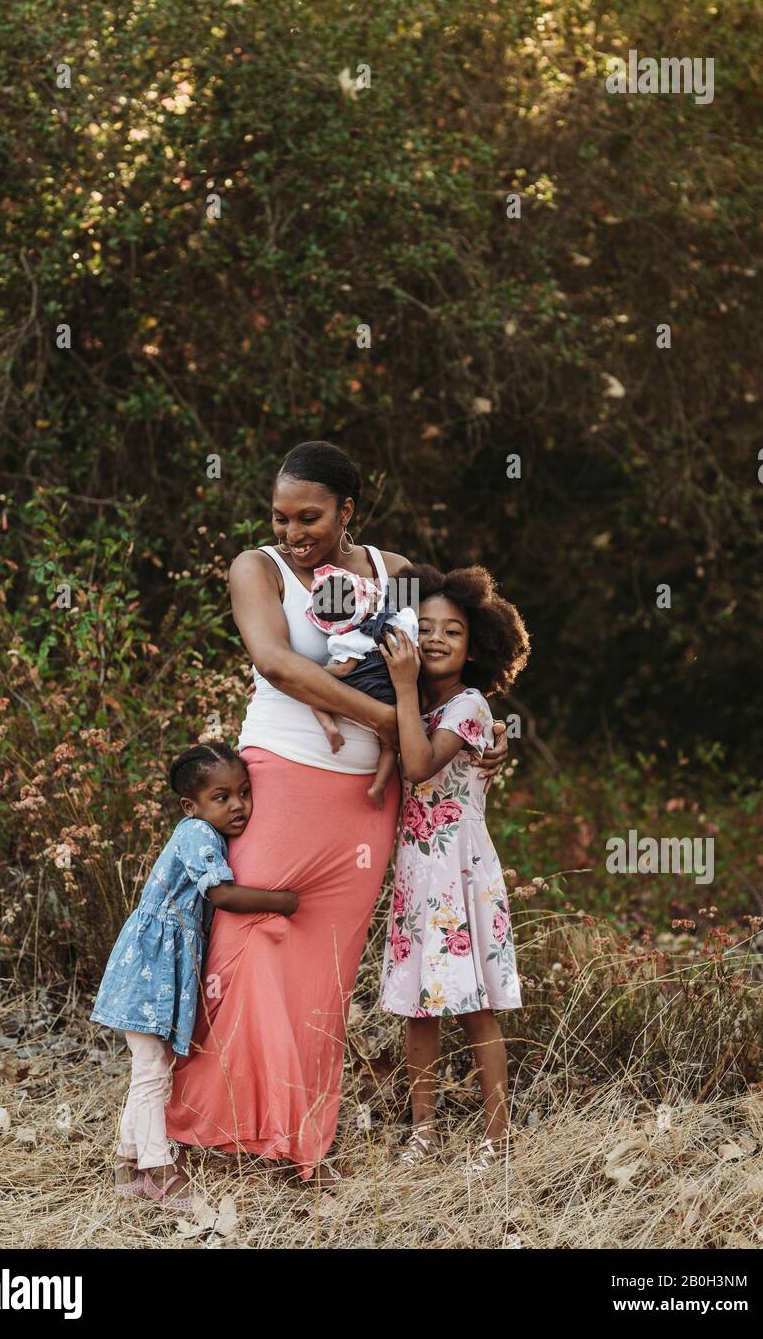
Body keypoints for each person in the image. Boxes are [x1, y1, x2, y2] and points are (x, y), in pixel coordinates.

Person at [164, 441, 510, 1183]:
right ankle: (209, 1122)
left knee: (326, 972)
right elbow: (276, 663)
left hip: (369, 803)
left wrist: (484, 726)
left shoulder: (396, 574)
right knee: (249, 942)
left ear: (348, 510)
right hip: (284, 778)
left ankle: (299, 1141)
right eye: (281, 516)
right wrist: (389, 724)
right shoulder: (255, 568)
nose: (293, 531)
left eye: (310, 517)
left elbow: (440, 665)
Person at [90, 743, 298, 1210]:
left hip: (166, 964)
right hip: (151, 964)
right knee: (151, 1071)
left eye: (244, 793)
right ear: (192, 806)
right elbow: (221, 895)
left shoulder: (207, 832)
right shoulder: (198, 834)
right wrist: (282, 901)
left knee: (154, 1070)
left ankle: (128, 1163)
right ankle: (160, 1168)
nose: (238, 805)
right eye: (221, 797)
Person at [377, 563, 530, 1174]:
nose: (437, 639)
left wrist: (406, 686)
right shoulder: (417, 697)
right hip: (418, 872)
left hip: (460, 872)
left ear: (476, 649)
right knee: (420, 1004)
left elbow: (418, 766)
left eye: (455, 631)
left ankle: (497, 1138)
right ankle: (425, 1131)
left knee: (474, 1006)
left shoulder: (467, 705)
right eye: (427, 626)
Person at [305, 561, 420, 807]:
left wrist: (321, 673)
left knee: (315, 694)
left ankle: (329, 727)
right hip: (389, 692)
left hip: (356, 692)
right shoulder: (400, 621)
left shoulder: (348, 638)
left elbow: (345, 668)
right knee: (389, 745)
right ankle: (378, 787)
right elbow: (414, 640)